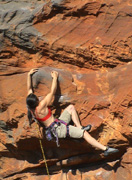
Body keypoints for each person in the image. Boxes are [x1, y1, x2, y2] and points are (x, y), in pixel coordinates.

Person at [26, 68, 119, 156]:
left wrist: (29, 75)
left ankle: (80, 127)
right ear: (36, 102)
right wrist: (54, 78)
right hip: (59, 130)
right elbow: (52, 91)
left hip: (57, 124)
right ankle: (105, 149)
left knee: (70, 108)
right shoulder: (41, 105)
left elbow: (29, 89)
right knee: (84, 134)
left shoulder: (31, 108)